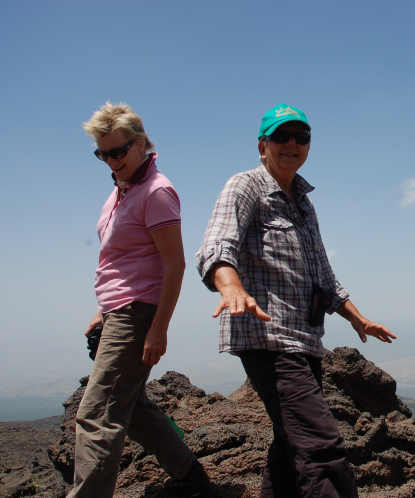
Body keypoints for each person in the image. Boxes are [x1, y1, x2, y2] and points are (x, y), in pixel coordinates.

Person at [196, 104, 396, 498]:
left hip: (305, 339)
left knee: (289, 448)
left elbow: (323, 274)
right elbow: (216, 247)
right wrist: (230, 287)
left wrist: (357, 319)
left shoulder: (304, 202)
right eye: (280, 136)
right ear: (262, 144)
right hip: (268, 336)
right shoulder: (245, 185)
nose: (291, 144)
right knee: (321, 448)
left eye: (300, 137)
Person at [70, 102, 208, 497]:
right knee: (133, 408)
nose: (112, 161)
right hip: (118, 312)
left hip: (137, 314)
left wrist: (158, 328)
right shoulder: (120, 191)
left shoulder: (156, 192)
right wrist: (103, 311)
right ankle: (190, 476)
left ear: (142, 143)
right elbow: (122, 262)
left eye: (118, 151)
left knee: (96, 417)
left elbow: (175, 265)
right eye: (103, 153)